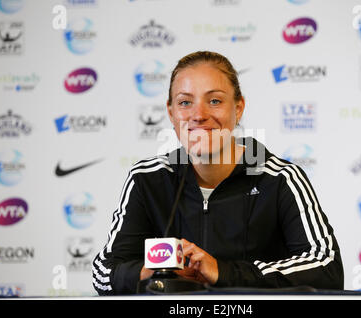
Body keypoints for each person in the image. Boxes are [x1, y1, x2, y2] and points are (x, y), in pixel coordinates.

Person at [92, 51, 344, 295]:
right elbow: (103, 272)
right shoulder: (147, 179)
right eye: (185, 102)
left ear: (238, 107)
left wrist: (221, 272)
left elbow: (327, 268)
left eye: (214, 101)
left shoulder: (280, 178)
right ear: (171, 112)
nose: (199, 115)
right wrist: (152, 272)